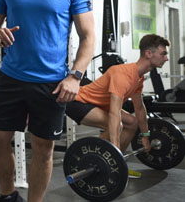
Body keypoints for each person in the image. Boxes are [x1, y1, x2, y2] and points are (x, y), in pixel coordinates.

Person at [0, 0, 95, 202]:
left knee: (43, 148)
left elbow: (88, 36)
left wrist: (75, 76)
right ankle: (8, 196)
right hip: (11, 76)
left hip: (50, 82)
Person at [66, 34, 170, 177]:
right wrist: (115, 151)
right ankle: (95, 161)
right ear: (148, 53)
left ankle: (112, 163)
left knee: (132, 123)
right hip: (78, 102)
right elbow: (114, 113)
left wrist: (145, 135)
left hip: (96, 105)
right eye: (163, 54)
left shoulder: (138, 77)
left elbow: (139, 108)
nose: (166, 58)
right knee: (116, 124)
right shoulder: (123, 74)